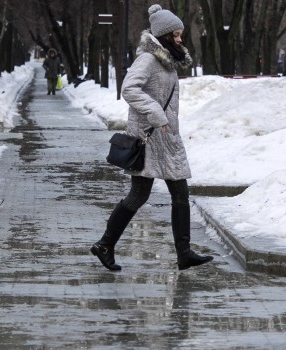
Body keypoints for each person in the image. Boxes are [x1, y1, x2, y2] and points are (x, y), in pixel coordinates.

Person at [90, 4, 213, 272]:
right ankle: (105, 245)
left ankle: (184, 252)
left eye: (181, 34)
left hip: (166, 139)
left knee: (179, 193)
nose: (181, 39)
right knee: (139, 195)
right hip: (149, 138)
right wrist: (156, 112)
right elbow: (128, 89)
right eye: (177, 34)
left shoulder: (166, 59)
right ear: (164, 35)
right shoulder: (148, 59)